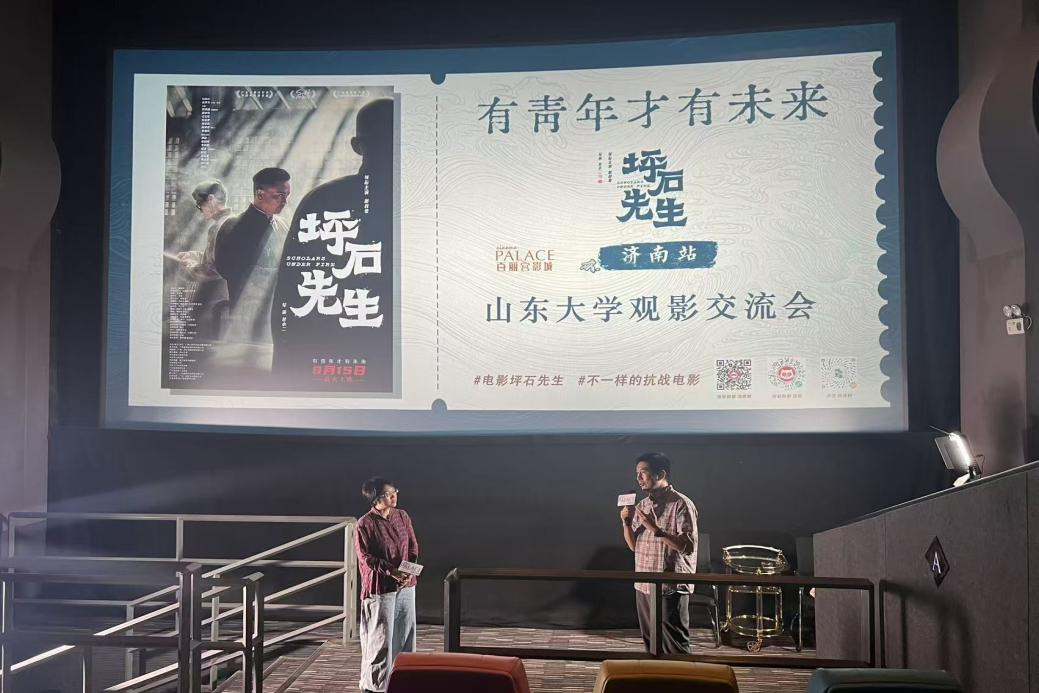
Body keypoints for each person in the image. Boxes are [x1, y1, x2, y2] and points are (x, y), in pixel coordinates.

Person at [270, 99, 395, 391]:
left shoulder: (321, 199)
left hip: (334, 360)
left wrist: (285, 376)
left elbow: (290, 293)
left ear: (357, 146)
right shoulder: (430, 206)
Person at [620, 452, 699, 653]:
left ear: (661, 474)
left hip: (669, 586)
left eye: (643, 472)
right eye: (637, 473)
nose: (638, 477)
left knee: (675, 645)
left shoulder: (681, 503)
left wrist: (656, 529)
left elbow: (687, 546)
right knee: (651, 643)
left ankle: (683, 674)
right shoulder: (642, 505)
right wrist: (626, 523)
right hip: (644, 584)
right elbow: (633, 546)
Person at [213, 167, 290, 342]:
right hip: (245, 316)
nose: (285, 201)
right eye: (279, 195)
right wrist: (274, 275)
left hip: (277, 313)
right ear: (260, 194)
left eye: (287, 195)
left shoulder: (283, 225)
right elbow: (226, 268)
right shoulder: (233, 226)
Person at [355, 477, 418, 693]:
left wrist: (408, 572)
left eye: (394, 491)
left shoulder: (402, 516)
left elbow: (412, 548)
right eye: (388, 494)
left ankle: (403, 682)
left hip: (406, 585)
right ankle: (375, 686)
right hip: (380, 587)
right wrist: (391, 571)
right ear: (375, 499)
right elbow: (366, 558)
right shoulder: (365, 524)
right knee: (380, 639)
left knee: (405, 635)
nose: (393, 496)